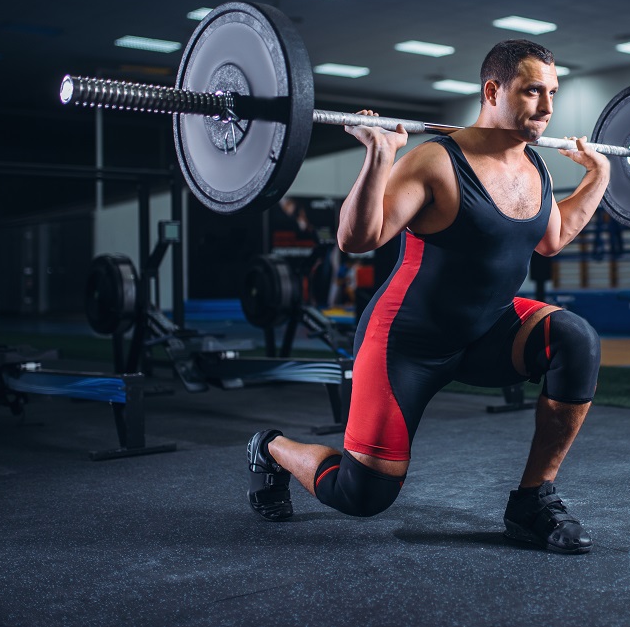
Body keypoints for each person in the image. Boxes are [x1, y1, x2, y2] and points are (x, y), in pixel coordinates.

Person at [245, 39, 611, 554]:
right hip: (407, 345)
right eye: (533, 92)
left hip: (489, 333)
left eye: (552, 92)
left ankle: (532, 502)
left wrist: (600, 175)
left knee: (575, 339)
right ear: (493, 90)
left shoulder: (537, 165)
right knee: (362, 495)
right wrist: (379, 154)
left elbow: (551, 238)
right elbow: (357, 240)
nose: (548, 108)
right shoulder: (435, 160)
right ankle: (271, 448)